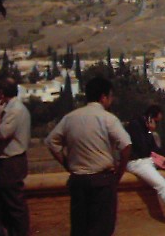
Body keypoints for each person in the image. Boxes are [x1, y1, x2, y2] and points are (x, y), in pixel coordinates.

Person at [46, 76, 132, 236]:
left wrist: (67, 164)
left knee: (80, 227)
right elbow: (126, 146)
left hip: (78, 180)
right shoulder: (108, 119)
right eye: (110, 96)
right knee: (102, 227)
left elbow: (52, 142)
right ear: (103, 97)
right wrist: (119, 173)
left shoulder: (70, 118)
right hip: (102, 181)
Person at [0, 78, 31, 236]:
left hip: (11, 161)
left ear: (1, 93)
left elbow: (2, 133)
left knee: (14, 204)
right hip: (10, 160)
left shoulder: (14, 110)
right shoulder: (13, 108)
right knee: (9, 204)